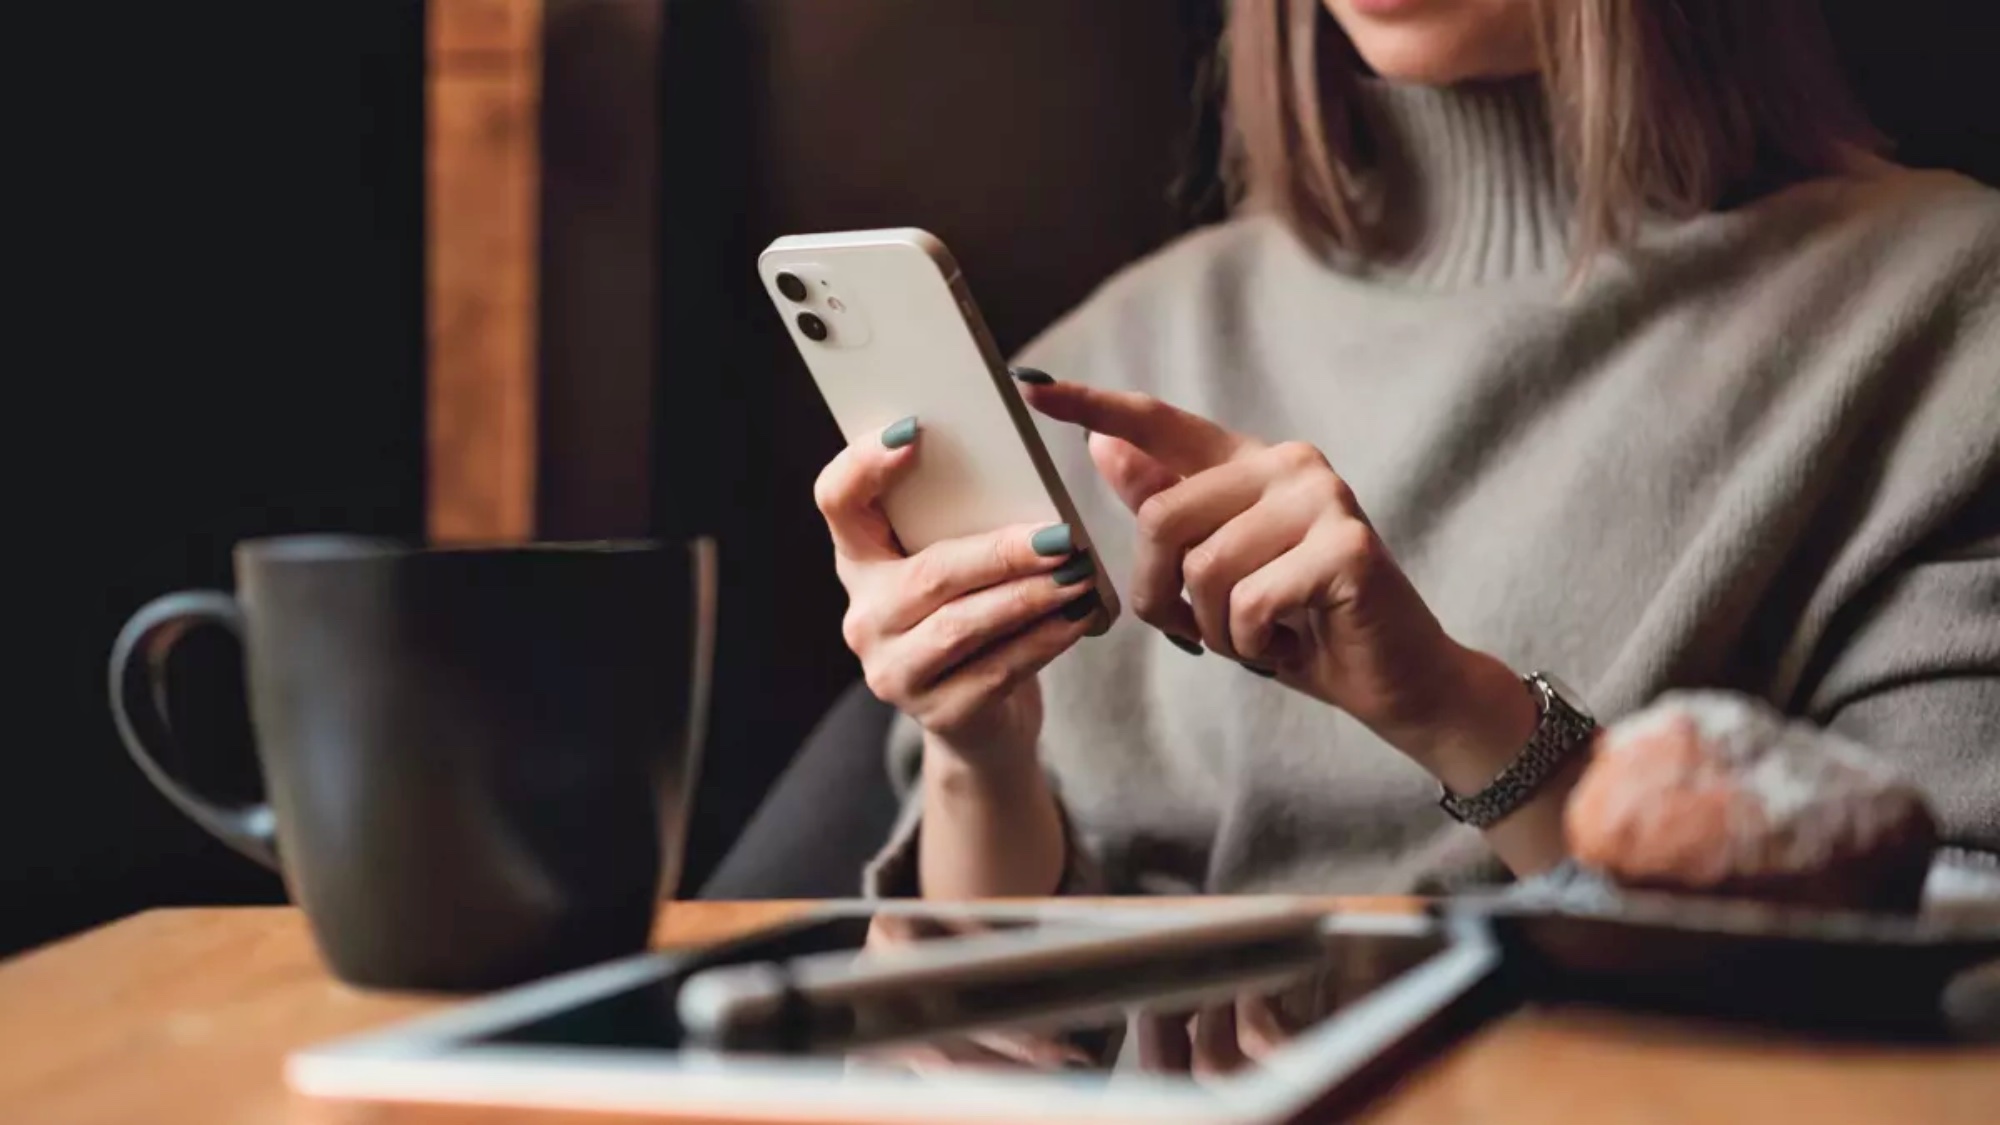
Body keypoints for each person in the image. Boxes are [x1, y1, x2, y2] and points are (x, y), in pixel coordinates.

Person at [808, 0, 1999, 900]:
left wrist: (1460, 714)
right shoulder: (1103, 356)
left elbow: (1945, 976)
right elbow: (967, 1037)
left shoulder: (1944, 316)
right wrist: (977, 757)